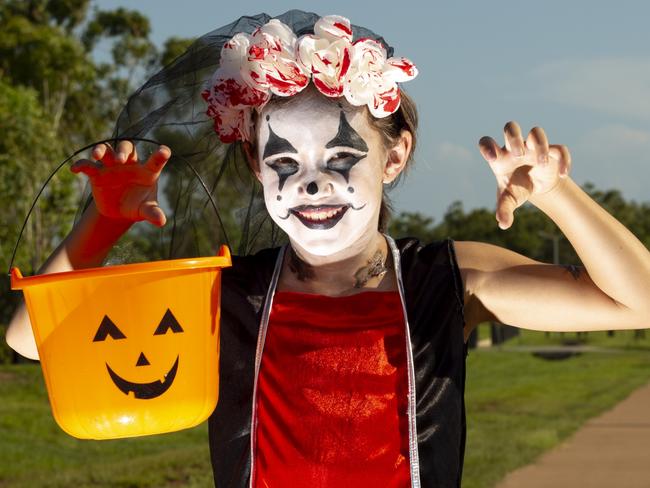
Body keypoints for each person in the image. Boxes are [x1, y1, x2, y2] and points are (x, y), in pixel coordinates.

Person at [6, 10, 650, 488]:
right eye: (283, 160)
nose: (310, 181)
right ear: (257, 167)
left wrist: (558, 194)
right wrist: (100, 226)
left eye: (341, 156)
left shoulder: (444, 278)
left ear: (393, 156)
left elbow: (638, 302)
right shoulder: (226, 292)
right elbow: (34, 339)